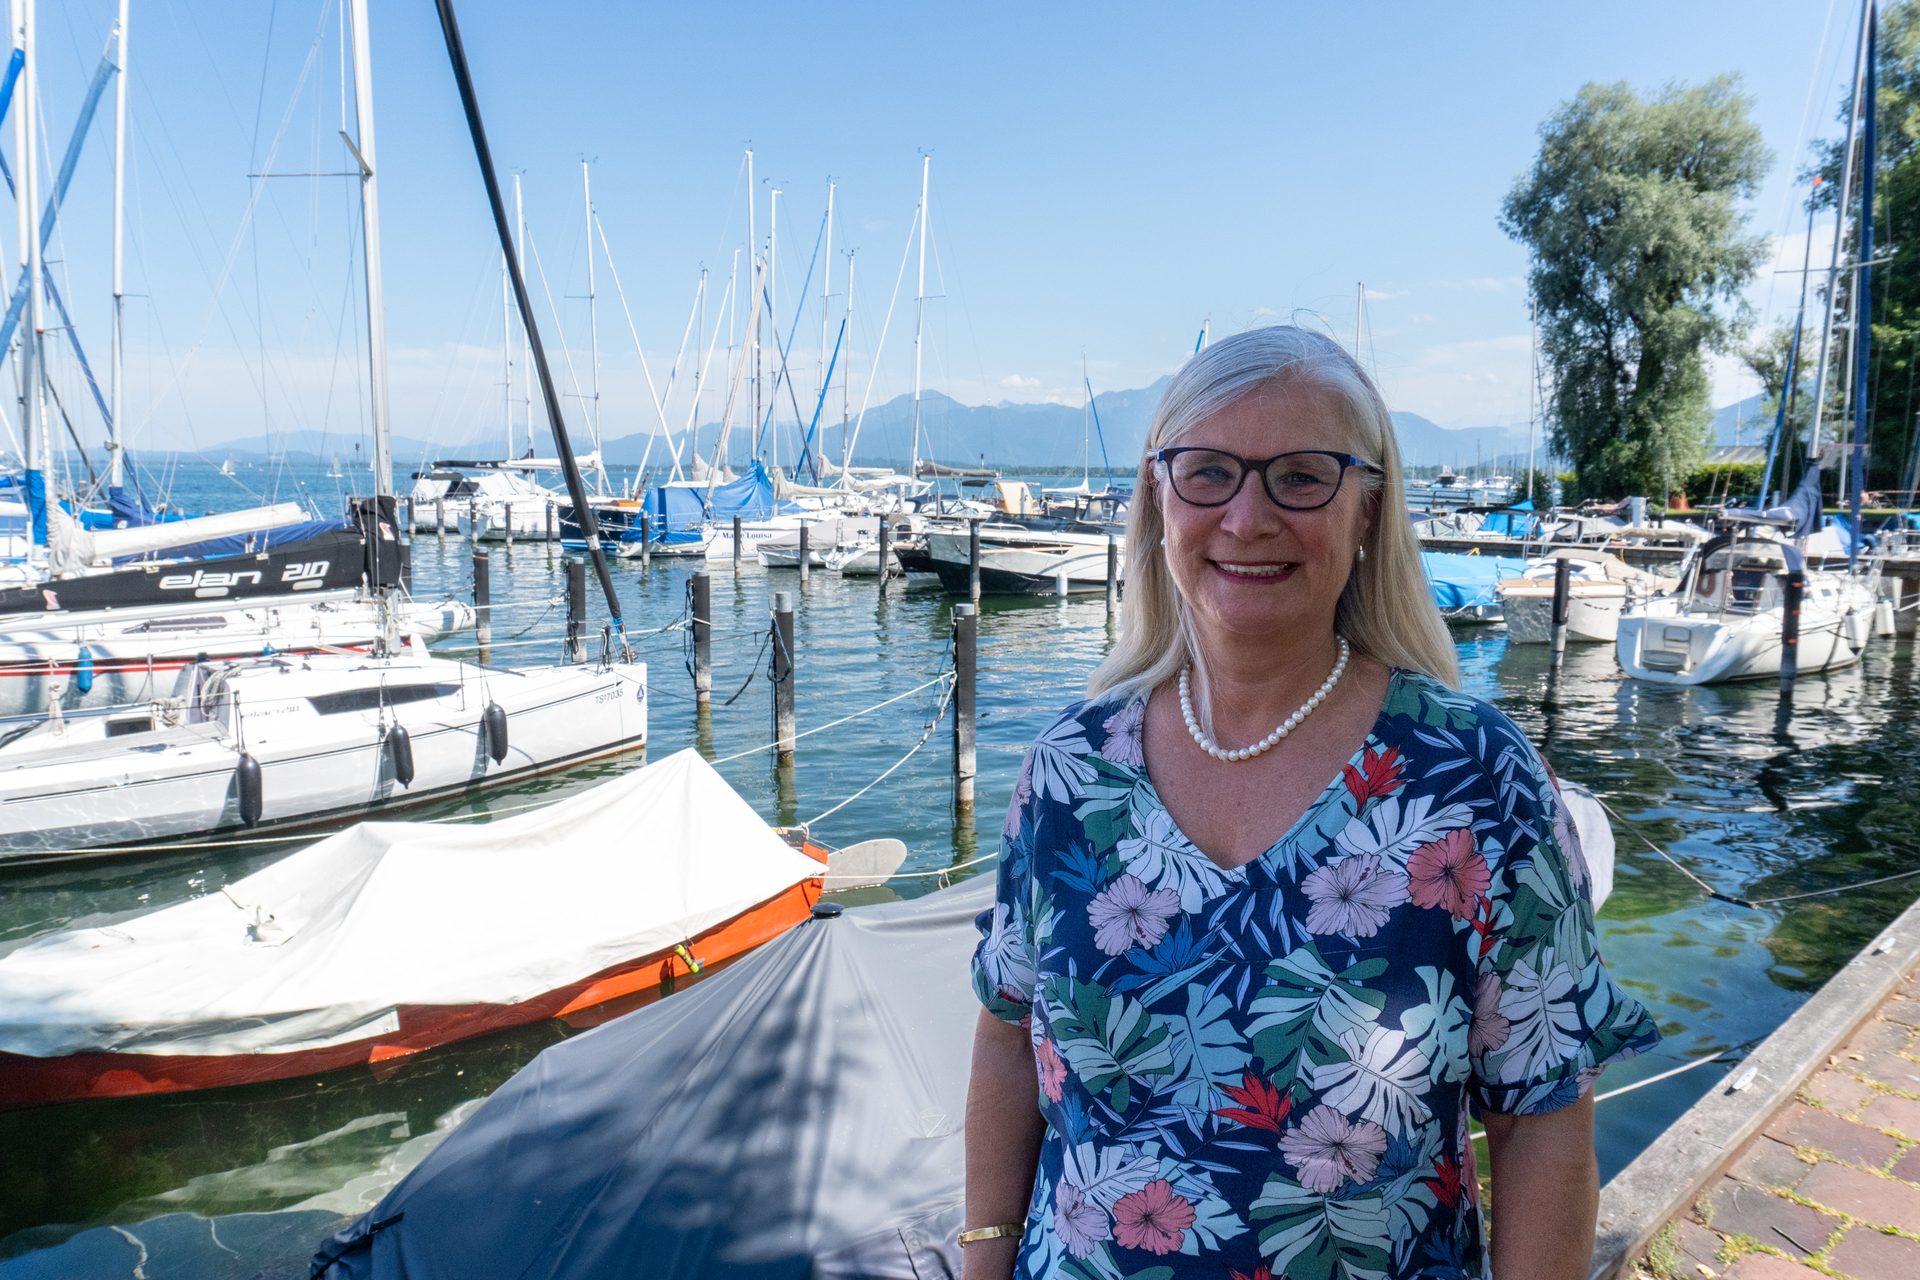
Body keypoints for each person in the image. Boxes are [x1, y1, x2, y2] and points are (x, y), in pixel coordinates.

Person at [965, 326, 1658, 1280]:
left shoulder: (1473, 778)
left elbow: (1540, 1119)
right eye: (1208, 472)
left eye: (1301, 476)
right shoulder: (1068, 773)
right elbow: (1007, 1037)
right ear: (1158, 500)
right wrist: (984, 1259)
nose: (1247, 517)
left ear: (1370, 510)